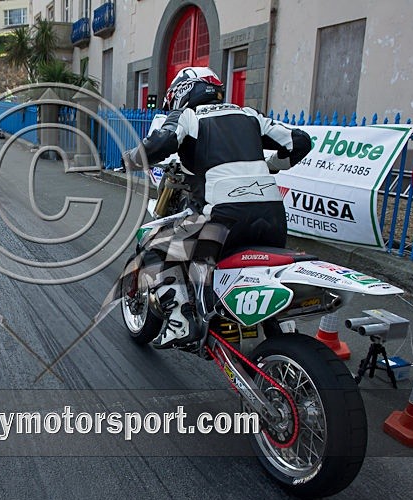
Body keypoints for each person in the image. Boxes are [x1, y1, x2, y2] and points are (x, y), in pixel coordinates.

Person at [122, 66, 312, 348]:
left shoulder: (188, 115)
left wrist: (132, 159)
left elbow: (161, 142)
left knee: (156, 246)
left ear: (184, 91)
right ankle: (282, 330)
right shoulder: (249, 114)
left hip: (223, 219)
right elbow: (300, 142)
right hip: (272, 220)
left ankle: (180, 321)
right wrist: (271, 165)